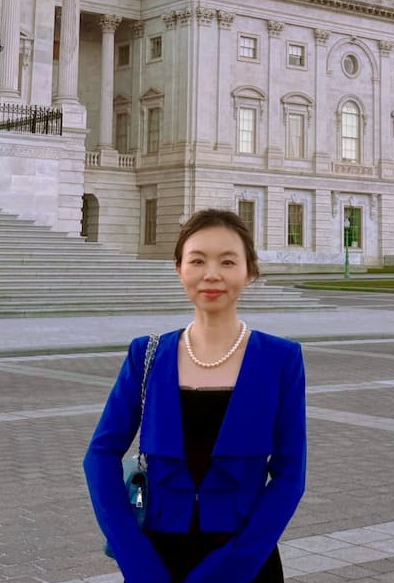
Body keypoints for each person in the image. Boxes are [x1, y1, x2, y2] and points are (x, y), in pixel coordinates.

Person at [83, 208, 307, 583]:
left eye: (228, 260)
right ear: (178, 268)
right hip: (156, 562)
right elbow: (99, 455)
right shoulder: (147, 355)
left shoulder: (280, 359)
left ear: (249, 271)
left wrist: (230, 568)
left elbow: (289, 477)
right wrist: (136, 560)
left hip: (245, 564)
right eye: (198, 260)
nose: (212, 274)